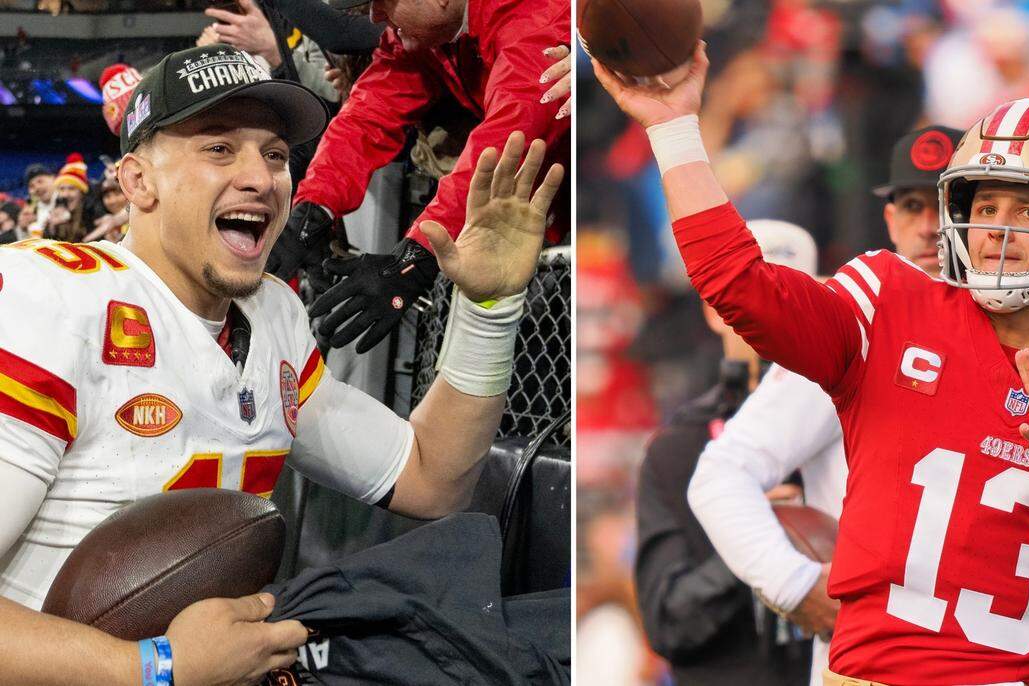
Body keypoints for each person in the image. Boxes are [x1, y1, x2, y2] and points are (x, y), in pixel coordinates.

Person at [0, 43, 562, 685]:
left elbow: (433, 479)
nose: (261, 177)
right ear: (137, 181)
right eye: (218, 148)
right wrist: (153, 669)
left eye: (273, 153)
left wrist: (487, 309)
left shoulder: (272, 317)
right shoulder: (52, 302)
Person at [595, 44, 1029, 684]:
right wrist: (673, 128)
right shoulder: (890, 298)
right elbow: (741, 287)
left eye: (1027, 209)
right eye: (983, 206)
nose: (996, 229)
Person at [688, 125, 962, 686]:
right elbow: (720, 473)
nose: (930, 226)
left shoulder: (1012, 329)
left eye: (944, 203)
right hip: (876, 661)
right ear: (889, 220)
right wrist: (794, 584)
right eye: (912, 206)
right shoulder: (862, 324)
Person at [267, 0, 570, 354]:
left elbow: (508, 141)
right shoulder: (431, 34)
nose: (375, 18)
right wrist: (314, 206)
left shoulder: (533, 16)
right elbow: (372, 109)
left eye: (383, 3)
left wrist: (416, 256)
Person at [635, 219, 818, 685]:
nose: (769, 316)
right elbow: (668, 625)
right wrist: (753, 534)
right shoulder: (678, 447)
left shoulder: (847, 425)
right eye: (748, 295)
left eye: (787, 296)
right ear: (713, 308)